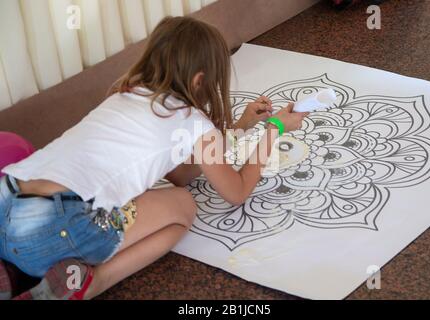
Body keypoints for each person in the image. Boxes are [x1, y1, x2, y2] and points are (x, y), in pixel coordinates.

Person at [0, 16, 307, 300]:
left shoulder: (124, 93)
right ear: (200, 80)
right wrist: (274, 129)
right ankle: (89, 284)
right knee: (183, 206)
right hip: (55, 227)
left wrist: (240, 128)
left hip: (7, 198)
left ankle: (12, 274)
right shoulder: (194, 121)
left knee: (27, 244)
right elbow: (236, 191)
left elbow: (179, 173)